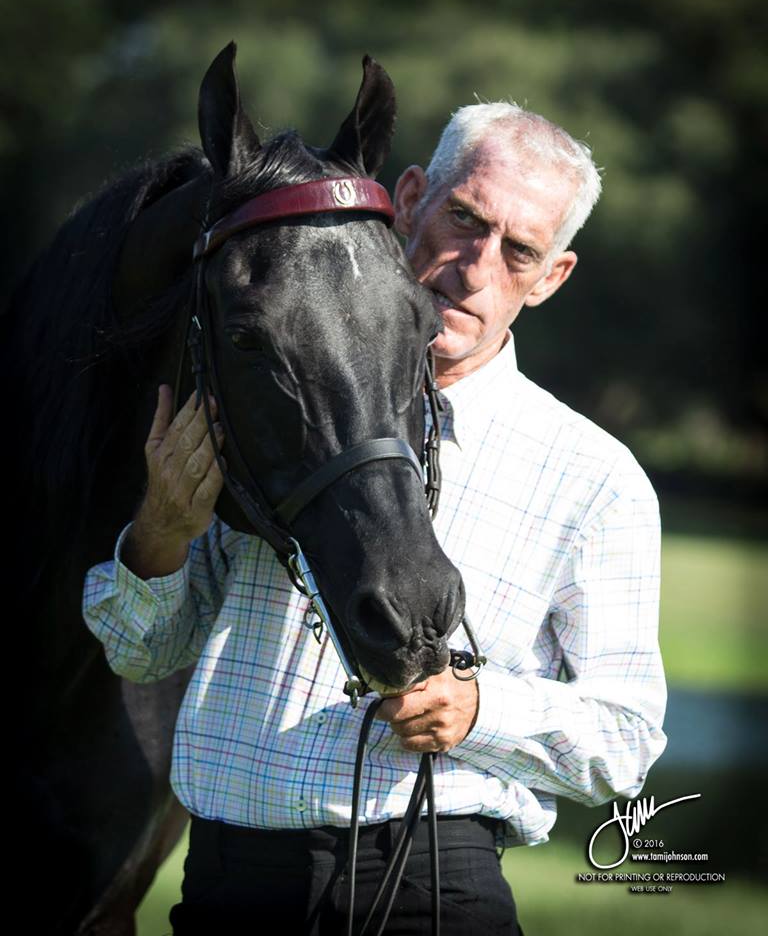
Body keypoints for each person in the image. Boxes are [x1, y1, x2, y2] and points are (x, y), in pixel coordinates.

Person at [83, 102, 667, 935]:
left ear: (552, 277)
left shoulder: (593, 475)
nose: (476, 264)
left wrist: (478, 712)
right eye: (465, 217)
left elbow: (627, 740)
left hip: (432, 889)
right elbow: (143, 657)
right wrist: (161, 536)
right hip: (226, 889)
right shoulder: (270, 398)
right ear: (411, 198)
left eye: (520, 250)